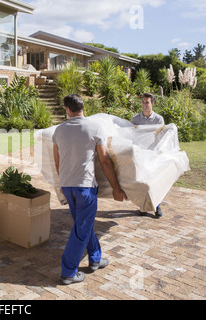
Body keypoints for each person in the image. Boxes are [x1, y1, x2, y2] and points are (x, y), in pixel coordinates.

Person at [53, 94, 127, 285]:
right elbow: (104, 161)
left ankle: (95, 258)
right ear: (82, 108)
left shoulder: (59, 130)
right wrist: (116, 188)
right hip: (85, 186)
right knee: (81, 229)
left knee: (83, 224)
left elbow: (57, 160)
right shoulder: (94, 127)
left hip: (68, 185)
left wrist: (61, 183)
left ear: (68, 110)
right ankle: (68, 271)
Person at [131, 93, 164, 218]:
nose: (145, 105)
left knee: (154, 181)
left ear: (152, 103)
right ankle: (143, 206)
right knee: (142, 181)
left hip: (153, 154)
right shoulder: (135, 119)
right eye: (143, 102)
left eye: (147, 102)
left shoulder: (158, 119)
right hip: (139, 154)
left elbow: (160, 137)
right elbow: (131, 136)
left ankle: (157, 206)